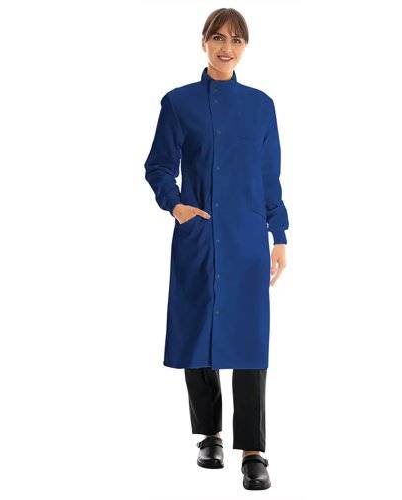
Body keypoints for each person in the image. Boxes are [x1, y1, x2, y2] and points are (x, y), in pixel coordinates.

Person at [144, 7, 289, 490]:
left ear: (245, 47)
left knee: (249, 339)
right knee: (198, 330)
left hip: (247, 240)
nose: (227, 48)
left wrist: (279, 234)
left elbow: (269, 177)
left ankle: (253, 450)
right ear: (204, 41)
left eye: (236, 40)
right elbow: (158, 166)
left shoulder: (261, 106)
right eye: (219, 38)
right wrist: (176, 206)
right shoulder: (178, 103)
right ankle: (209, 434)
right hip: (200, 236)